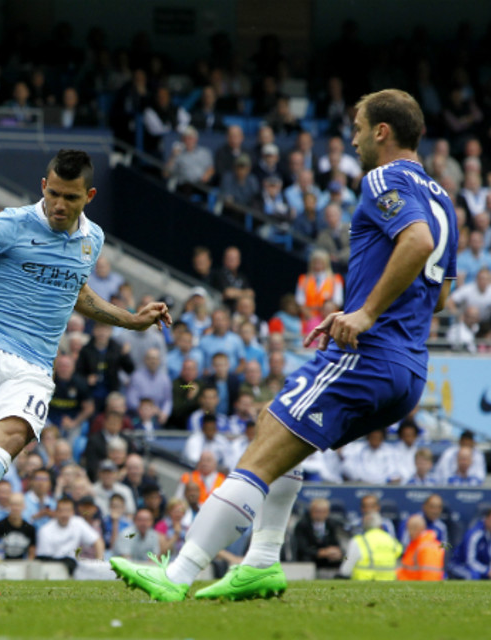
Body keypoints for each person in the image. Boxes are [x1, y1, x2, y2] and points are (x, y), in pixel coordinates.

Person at [110, 90, 457, 601]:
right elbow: (441, 294)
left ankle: (178, 574)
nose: (353, 138)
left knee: (259, 459)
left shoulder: (386, 177)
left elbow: (417, 243)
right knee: (273, 423)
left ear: (382, 132)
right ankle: (262, 561)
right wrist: (365, 307)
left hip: (369, 355)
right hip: (407, 366)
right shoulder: (442, 197)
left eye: (359, 127)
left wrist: (364, 313)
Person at [0, 149, 169, 569]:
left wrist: (131, 321)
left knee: (11, 438)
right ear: (43, 187)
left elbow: (79, 294)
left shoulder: (93, 239)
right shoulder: (12, 222)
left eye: (70, 198)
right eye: (53, 194)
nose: (59, 205)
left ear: (88, 196)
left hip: (35, 364)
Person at [339, 512, 402, 580]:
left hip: (363, 582)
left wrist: (343, 558)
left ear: (363, 525)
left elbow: (345, 569)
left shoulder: (358, 541)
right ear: (381, 525)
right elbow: (399, 557)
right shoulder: (391, 540)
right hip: (390, 582)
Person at [397, 514, 445, 581]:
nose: (410, 532)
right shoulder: (415, 544)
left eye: (413, 528)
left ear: (422, 528)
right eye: (409, 528)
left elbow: (430, 576)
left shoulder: (427, 547)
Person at [451, 509, 491, 580]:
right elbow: (470, 561)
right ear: (486, 518)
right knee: (473, 575)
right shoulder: (475, 534)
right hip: (460, 565)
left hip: (481, 568)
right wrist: (486, 571)